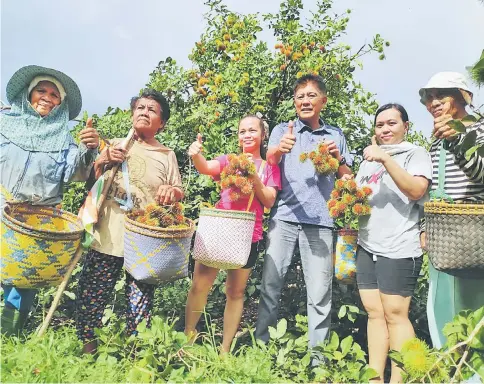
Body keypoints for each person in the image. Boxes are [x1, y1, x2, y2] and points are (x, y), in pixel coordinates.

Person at [74, 89, 184, 354]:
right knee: (92, 296)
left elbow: (178, 192)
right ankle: (88, 354)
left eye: (152, 110)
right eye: (140, 108)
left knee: (140, 304)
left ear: (162, 123)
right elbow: (90, 181)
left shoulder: (166, 155)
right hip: (108, 236)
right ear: (132, 113)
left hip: (143, 241)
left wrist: (172, 192)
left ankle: (136, 357)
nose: (144, 112)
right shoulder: (115, 145)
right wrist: (103, 159)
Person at [255, 74, 353, 352]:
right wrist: (279, 149)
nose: (305, 101)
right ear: (295, 102)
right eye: (300, 96)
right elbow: (269, 160)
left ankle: (317, 360)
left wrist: (339, 160)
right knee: (270, 288)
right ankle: (261, 351)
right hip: (283, 218)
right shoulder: (282, 129)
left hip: (320, 222)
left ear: (323, 100)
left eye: (311, 96)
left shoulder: (335, 135)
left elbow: (347, 176)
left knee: (320, 294)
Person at [0, 65, 99, 336]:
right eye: (41, 90)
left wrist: (89, 149)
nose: (47, 97)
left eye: (55, 94)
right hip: (1, 210)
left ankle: (10, 339)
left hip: (34, 222)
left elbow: (76, 173)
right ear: (28, 94)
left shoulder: (65, 143)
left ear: (61, 103)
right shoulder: (3, 125)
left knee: (22, 282)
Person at [184, 115, 281, 353]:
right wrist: (196, 153)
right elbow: (206, 167)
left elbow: (268, 200)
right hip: (219, 228)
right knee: (199, 285)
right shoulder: (229, 160)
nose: (247, 135)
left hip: (249, 235)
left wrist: (254, 175)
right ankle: (186, 339)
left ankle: (225, 350)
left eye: (252, 130)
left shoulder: (270, 167)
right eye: (242, 131)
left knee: (235, 292)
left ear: (263, 135)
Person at [350, 103, 432, 383]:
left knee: (396, 314)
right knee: (374, 313)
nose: (384, 129)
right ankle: (374, 378)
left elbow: (417, 190)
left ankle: (399, 380)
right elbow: (363, 198)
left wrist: (385, 159)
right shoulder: (367, 160)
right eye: (380, 125)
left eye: (391, 123)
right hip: (367, 244)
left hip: (399, 246)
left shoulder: (415, 154)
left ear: (406, 127)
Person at [419, 72, 484, 350]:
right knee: (442, 306)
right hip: (444, 237)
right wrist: (425, 227)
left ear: (461, 97)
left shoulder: (478, 130)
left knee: (472, 309)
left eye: (440, 96)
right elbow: (434, 188)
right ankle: (450, 368)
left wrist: (459, 139)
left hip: (473, 235)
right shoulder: (436, 141)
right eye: (429, 98)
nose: (433, 102)